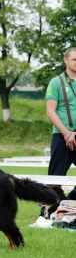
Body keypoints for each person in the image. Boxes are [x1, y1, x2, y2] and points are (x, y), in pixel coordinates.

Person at [44, 47, 76, 202]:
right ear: (66, 60)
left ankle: (69, 204)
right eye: (74, 60)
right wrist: (66, 133)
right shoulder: (56, 82)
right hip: (61, 135)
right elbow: (50, 111)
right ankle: (46, 213)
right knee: (55, 179)